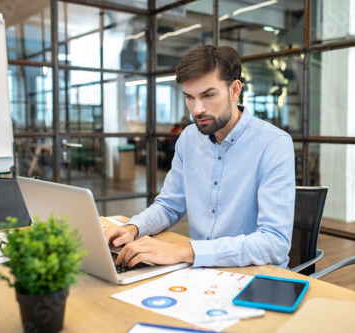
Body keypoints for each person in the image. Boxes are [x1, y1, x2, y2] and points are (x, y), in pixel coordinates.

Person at [105, 45, 295, 269]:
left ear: (235, 90)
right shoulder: (189, 138)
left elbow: (274, 243)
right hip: (200, 271)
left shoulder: (274, 144)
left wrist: (185, 251)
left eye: (208, 95)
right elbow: (169, 205)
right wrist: (133, 228)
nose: (197, 109)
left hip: (254, 275)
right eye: (189, 97)